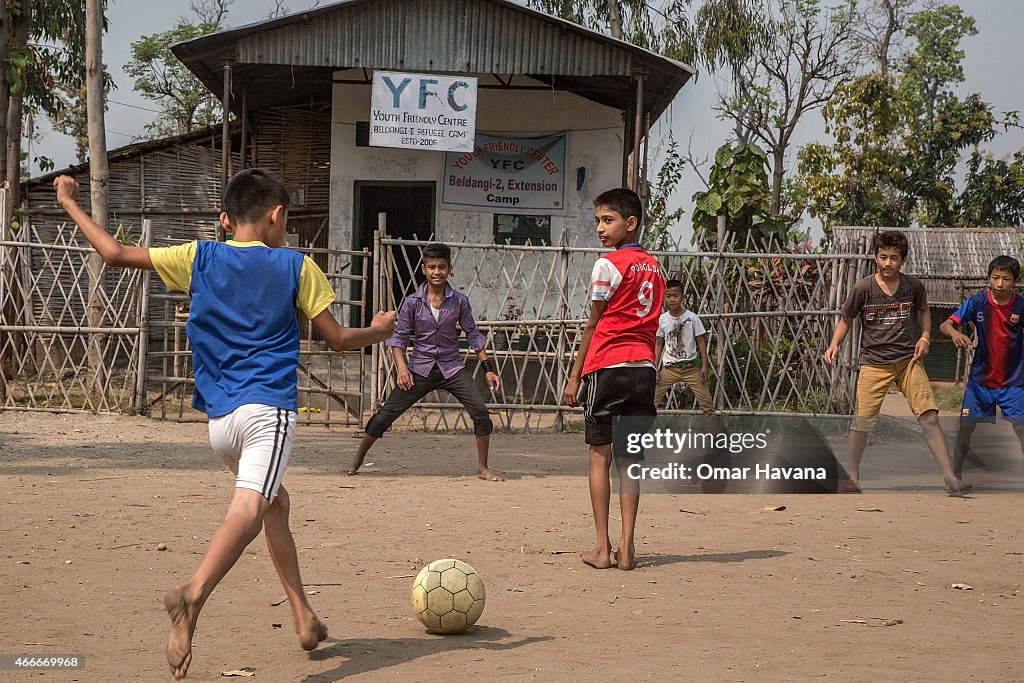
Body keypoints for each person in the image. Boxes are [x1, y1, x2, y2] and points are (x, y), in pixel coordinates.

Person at [53, 169, 396, 680]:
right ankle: (193, 596)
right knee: (251, 505)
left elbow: (113, 254)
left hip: (220, 420)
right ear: (277, 216)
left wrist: (67, 203)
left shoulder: (198, 256)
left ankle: (303, 615)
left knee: (276, 502)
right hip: (267, 413)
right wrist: (379, 330)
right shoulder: (296, 266)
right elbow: (338, 339)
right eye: (287, 219)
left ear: (225, 219)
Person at [562, 187, 665, 571]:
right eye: (598, 221)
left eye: (608, 220)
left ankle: (603, 549)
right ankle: (628, 548)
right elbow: (654, 328)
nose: (600, 229)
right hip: (644, 369)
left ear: (630, 223)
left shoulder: (607, 265)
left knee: (598, 457)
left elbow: (593, 324)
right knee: (631, 463)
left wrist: (574, 376)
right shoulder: (656, 268)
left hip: (607, 367)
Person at [824, 230, 970, 496]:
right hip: (873, 363)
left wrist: (925, 337)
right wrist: (834, 344)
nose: (888, 263)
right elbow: (846, 318)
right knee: (863, 422)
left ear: (903, 260)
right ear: (875, 257)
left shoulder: (913, 286)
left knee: (929, 417)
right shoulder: (863, 288)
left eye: (893, 258)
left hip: (908, 361)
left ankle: (950, 477)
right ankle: (853, 476)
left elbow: (924, 311)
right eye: (883, 257)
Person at [347, 242, 503, 481]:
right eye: (432, 267)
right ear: (424, 269)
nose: (437, 272)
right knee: (386, 414)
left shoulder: (459, 301)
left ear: (449, 269)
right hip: (420, 367)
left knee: (481, 412)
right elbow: (398, 339)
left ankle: (483, 468)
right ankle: (357, 460)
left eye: (442, 267)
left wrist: (487, 370)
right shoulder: (413, 302)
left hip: (452, 367)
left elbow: (473, 335)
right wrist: (402, 368)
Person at [940, 255, 1024, 479]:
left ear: (1015, 281)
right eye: (995, 277)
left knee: (1022, 428)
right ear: (988, 278)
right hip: (980, 381)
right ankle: (954, 476)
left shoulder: (1021, 306)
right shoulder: (977, 302)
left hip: (1013, 381)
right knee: (966, 427)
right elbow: (945, 325)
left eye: (1006, 279)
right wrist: (956, 333)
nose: (1000, 283)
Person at [654, 279, 714, 415]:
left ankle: (716, 435)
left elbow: (701, 342)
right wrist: (655, 368)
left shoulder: (692, 318)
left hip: (691, 367)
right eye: (668, 296)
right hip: (669, 368)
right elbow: (659, 343)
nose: (672, 300)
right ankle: (640, 434)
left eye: (675, 296)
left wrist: (704, 365)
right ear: (664, 297)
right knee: (651, 401)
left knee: (707, 404)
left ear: (682, 297)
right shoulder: (662, 319)